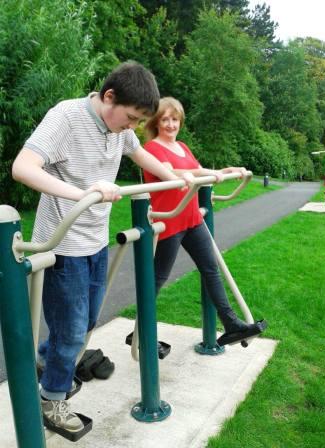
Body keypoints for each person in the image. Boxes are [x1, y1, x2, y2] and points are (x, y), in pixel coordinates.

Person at [12, 64, 190, 434]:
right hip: (65, 244)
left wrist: (179, 177)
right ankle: (51, 399)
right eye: (131, 118)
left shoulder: (120, 129)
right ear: (109, 97)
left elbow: (142, 156)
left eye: (140, 121)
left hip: (95, 242)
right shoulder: (67, 117)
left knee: (85, 323)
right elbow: (23, 167)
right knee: (74, 331)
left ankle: (47, 361)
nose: (133, 127)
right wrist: (85, 194)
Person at [143, 97, 259, 347]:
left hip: (192, 218)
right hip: (170, 220)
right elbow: (172, 173)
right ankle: (141, 331)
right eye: (165, 119)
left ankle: (231, 324)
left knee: (210, 269)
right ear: (156, 122)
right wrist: (207, 173)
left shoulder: (183, 147)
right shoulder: (152, 148)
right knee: (157, 278)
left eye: (175, 119)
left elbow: (199, 171)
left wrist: (226, 171)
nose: (171, 124)